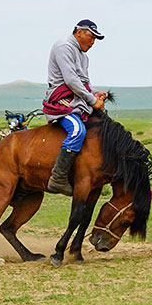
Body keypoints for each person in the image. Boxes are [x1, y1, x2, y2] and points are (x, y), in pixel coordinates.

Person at [42, 19, 107, 196]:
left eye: (95, 39)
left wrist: (95, 93)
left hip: (78, 100)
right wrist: (92, 101)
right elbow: (70, 81)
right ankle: (58, 177)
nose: (93, 42)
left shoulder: (83, 56)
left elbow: (83, 83)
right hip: (63, 102)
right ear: (79, 32)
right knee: (77, 131)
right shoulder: (64, 46)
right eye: (91, 36)